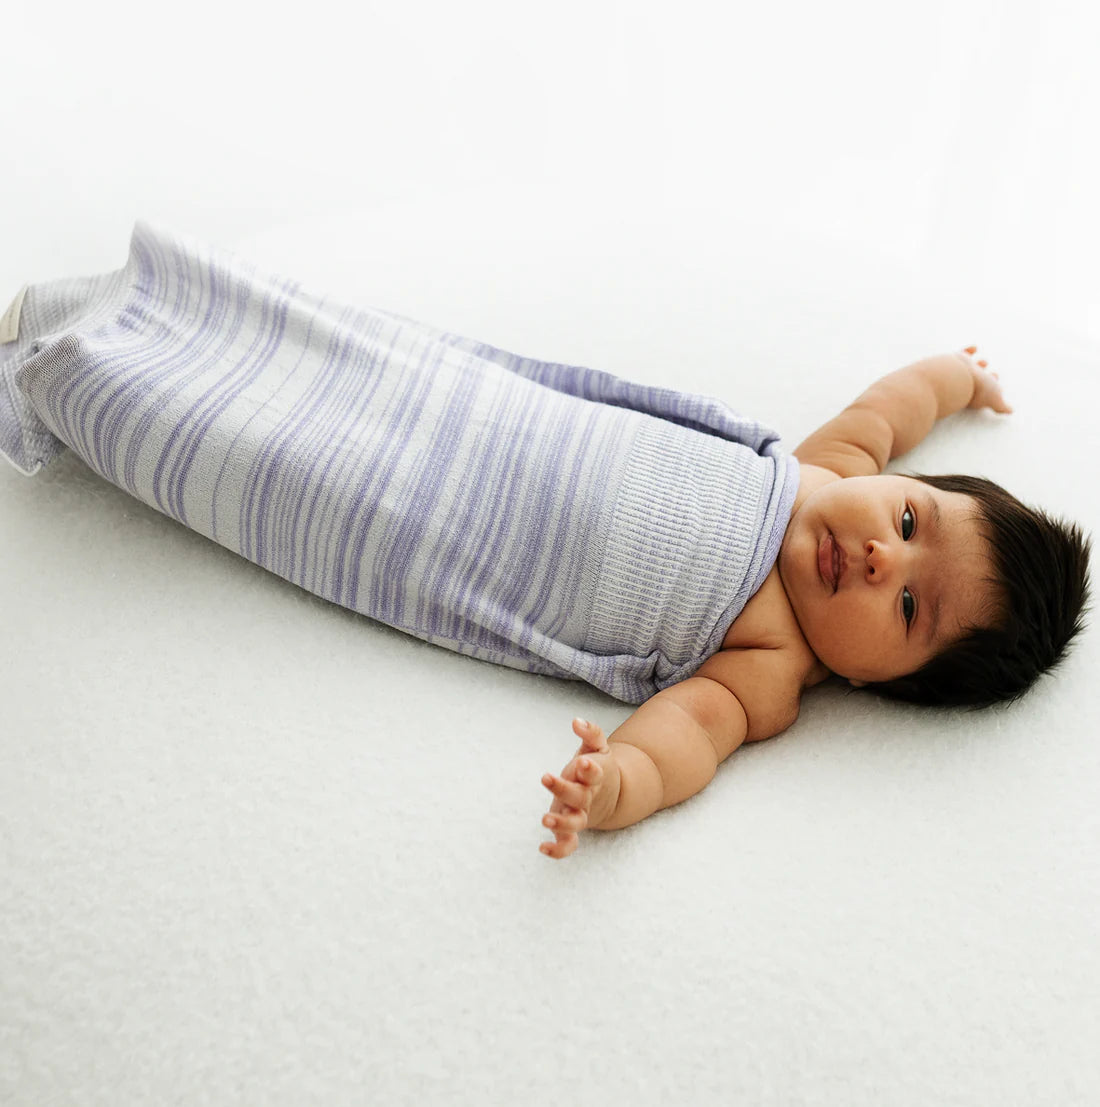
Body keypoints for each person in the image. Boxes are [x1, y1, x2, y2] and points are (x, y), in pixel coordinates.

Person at [538, 347, 1092, 858]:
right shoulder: (829, 473)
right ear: (901, 480)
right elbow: (888, 410)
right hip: (551, 425)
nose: (881, 558)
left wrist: (615, 785)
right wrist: (959, 378)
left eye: (908, 606)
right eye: (907, 522)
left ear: (875, 679)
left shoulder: (768, 667)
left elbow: (686, 735)